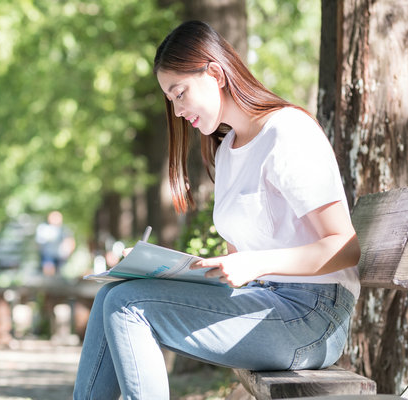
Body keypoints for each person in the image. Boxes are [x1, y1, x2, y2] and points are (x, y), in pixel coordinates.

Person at [73, 20, 361, 399]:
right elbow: (234, 269)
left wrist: (255, 264)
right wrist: (162, 267)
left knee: (128, 306)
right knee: (113, 294)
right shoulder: (227, 151)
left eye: (179, 93)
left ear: (214, 72)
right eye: (171, 99)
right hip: (266, 302)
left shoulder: (287, 132)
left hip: (312, 317)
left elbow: (345, 247)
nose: (177, 111)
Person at [35, 210, 76, 276]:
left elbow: (69, 240)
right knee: (48, 271)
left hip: (60, 255)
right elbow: (39, 242)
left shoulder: (63, 229)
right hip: (47, 254)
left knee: (58, 274)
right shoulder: (44, 228)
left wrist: (68, 252)